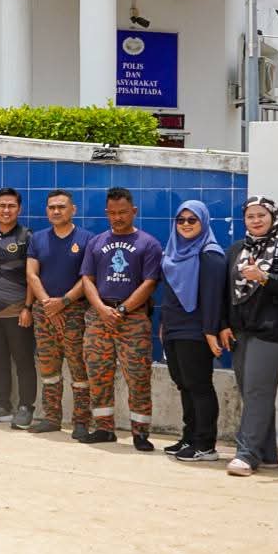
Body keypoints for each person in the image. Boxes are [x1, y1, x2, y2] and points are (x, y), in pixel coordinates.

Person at [221, 197, 278, 476]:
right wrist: (224, 324)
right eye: (250, 216)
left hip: (274, 332)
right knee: (252, 393)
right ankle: (267, 453)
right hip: (242, 331)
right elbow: (226, 292)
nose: (256, 220)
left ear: (273, 217)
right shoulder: (237, 249)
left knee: (258, 391)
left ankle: (246, 454)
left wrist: (264, 277)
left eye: (262, 215)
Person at [79, 187, 163, 450]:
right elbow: (87, 280)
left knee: (138, 376)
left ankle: (140, 432)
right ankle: (104, 428)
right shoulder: (96, 242)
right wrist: (102, 310)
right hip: (99, 316)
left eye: (123, 212)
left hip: (133, 319)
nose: (117, 217)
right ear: (106, 212)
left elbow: (150, 283)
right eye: (113, 213)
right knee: (98, 374)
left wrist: (124, 310)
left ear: (134, 211)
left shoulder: (148, 244)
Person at [160, 200, 227, 463]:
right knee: (183, 384)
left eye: (192, 220)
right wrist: (165, 325)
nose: (186, 225)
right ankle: (189, 437)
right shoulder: (173, 250)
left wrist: (210, 331)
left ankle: (205, 445)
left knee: (199, 385)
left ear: (204, 222)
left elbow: (214, 297)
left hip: (196, 330)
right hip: (175, 326)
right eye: (181, 220)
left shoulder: (209, 254)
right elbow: (170, 293)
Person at [26, 190, 94, 436]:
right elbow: (32, 274)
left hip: (74, 312)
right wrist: (47, 303)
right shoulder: (38, 239)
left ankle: (81, 422)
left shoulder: (87, 239)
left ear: (72, 210)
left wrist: (63, 302)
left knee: (78, 368)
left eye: (61, 207)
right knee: (48, 368)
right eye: (52, 207)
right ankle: (51, 417)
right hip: (44, 312)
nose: (56, 211)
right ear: (47, 211)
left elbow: (88, 278)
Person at [0, 187, 36, 428]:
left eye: (11, 206)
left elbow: (33, 276)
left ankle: (25, 407)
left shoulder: (27, 237)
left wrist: (28, 308)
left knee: (23, 361)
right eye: (2, 205)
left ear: (19, 209)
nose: (6, 210)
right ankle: (2, 404)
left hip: (17, 311)